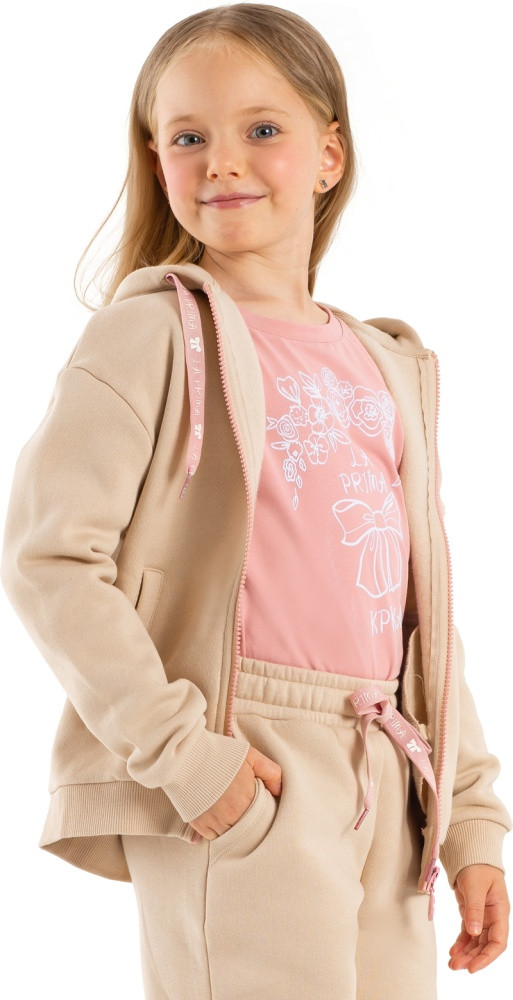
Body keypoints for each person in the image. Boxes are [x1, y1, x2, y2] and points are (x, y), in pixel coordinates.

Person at [1, 4, 511, 998]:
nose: (222, 161)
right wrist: (187, 758)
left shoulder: (385, 363)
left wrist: (471, 820)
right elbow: (49, 557)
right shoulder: (152, 335)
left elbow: (421, 619)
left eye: (261, 129)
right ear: (157, 161)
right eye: (188, 137)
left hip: (389, 772)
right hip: (247, 756)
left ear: (329, 155)